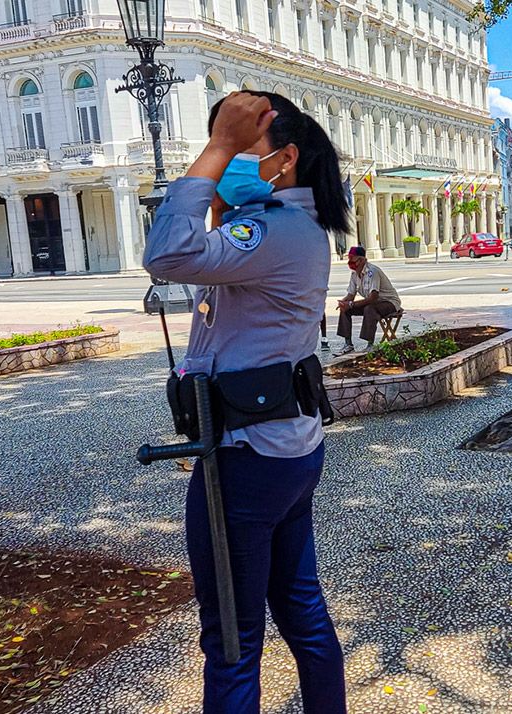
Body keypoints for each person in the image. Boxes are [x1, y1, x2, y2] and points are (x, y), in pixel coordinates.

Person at [143, 91, 349, 712]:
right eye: (225, 146)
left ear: (285, 160)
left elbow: (166, 255)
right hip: (281, 446)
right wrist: (226, 180)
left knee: (232, 637)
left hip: (247, 458)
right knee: (300, 607)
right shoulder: (287, 227)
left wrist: (215, 150)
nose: (228, 157)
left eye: (241, 148)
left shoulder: (273, 231)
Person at [335, 246, 401, 355]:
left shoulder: (372, 272)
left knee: (369, 309)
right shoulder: (354, 274)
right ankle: (348, 344)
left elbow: (373, 298)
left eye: (352, 259)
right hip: (373, 303)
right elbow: (351, 295)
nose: (350, 262)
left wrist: (351, 304)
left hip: (389, 302)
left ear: (361, 260)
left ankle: (370, 345)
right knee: (345, 309)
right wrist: (344, 302)